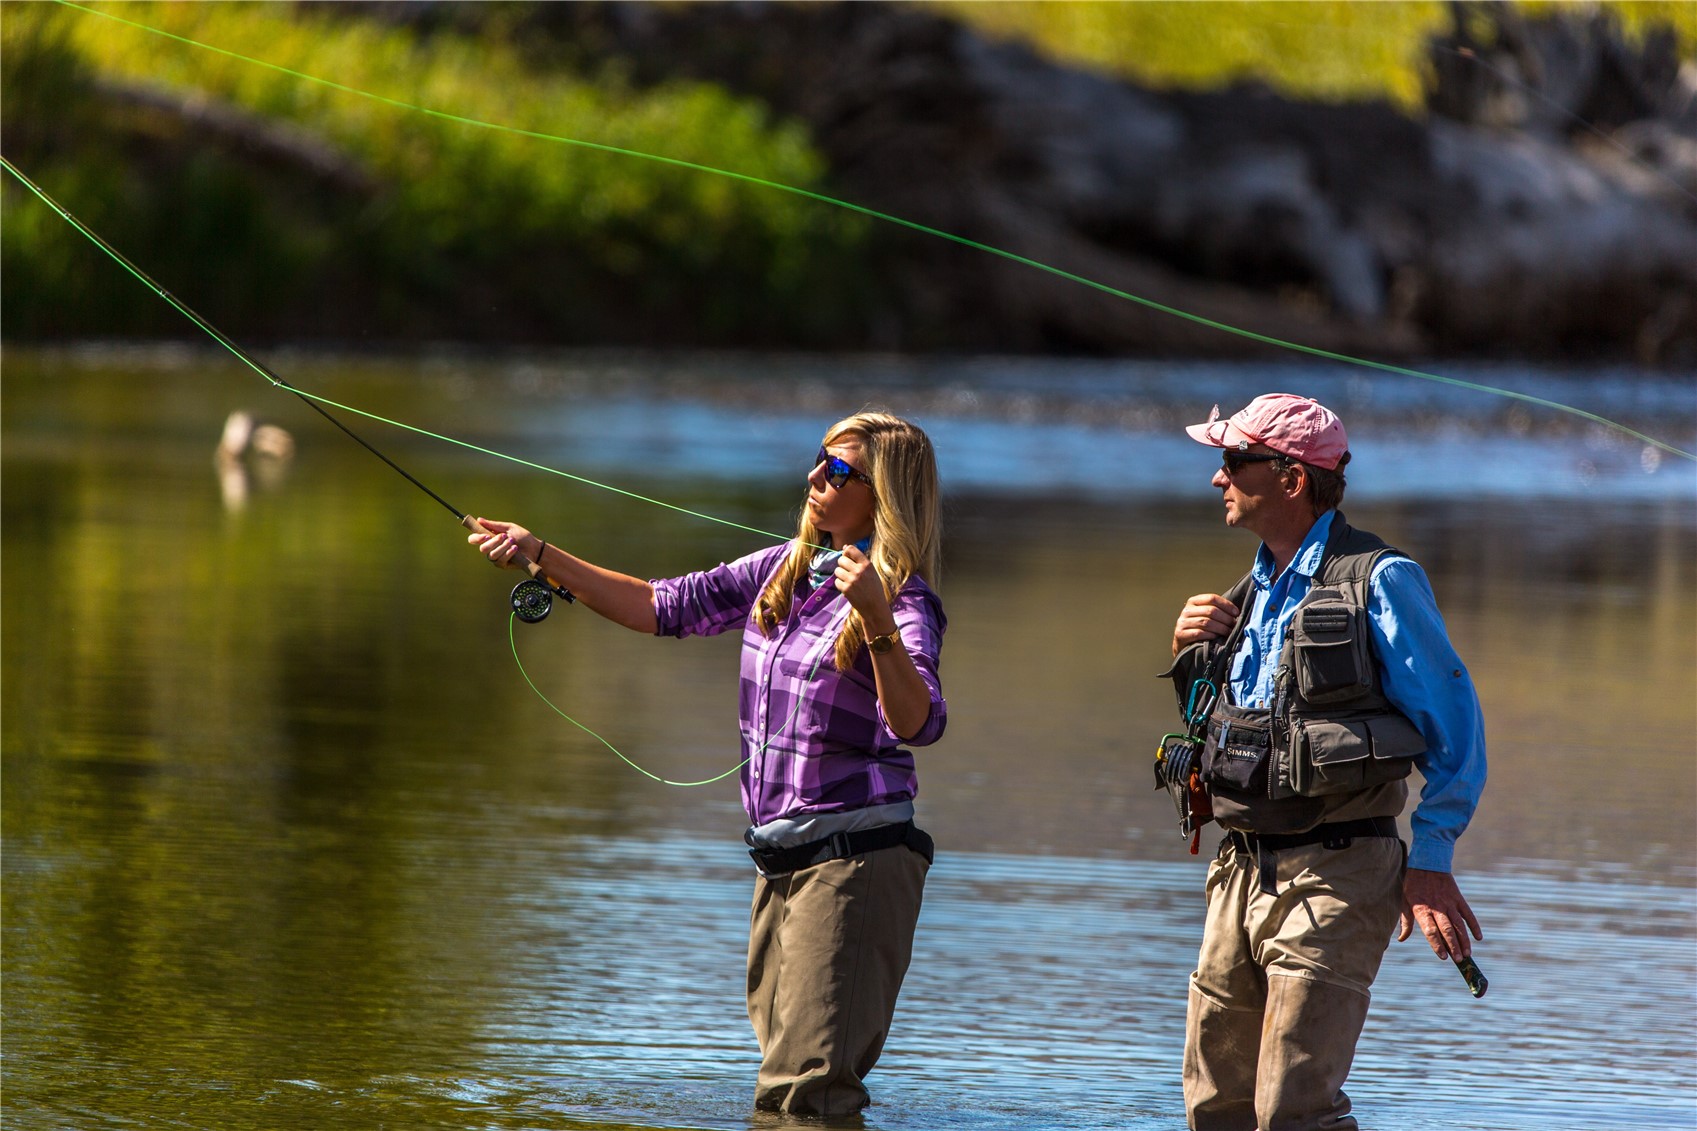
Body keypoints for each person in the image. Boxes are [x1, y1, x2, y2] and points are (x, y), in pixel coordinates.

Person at [469, 410, 946, 1117]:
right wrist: (540, 551)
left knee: (805, 1095)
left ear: (884, 494)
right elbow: (660, 605)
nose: (815, 477)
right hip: (780, 862)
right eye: (819, 460)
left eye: (838, 470)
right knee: (781, 1092)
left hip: (855, 862)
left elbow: (920, 721)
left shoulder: (904, 601)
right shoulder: (779, 571)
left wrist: (874, 618)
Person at [1163, 393, 1487, 1131]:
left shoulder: (1381, 578)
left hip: (1337, 870)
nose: (1218, 478)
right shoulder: (1244, 594)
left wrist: (1429, 859)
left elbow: (1457, 730)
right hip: (1237, 870)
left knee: (1292, 1109)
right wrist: (1188, 655)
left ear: (1291, 477)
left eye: (1231, 461)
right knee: (1213, 1107)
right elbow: (1231, 735)